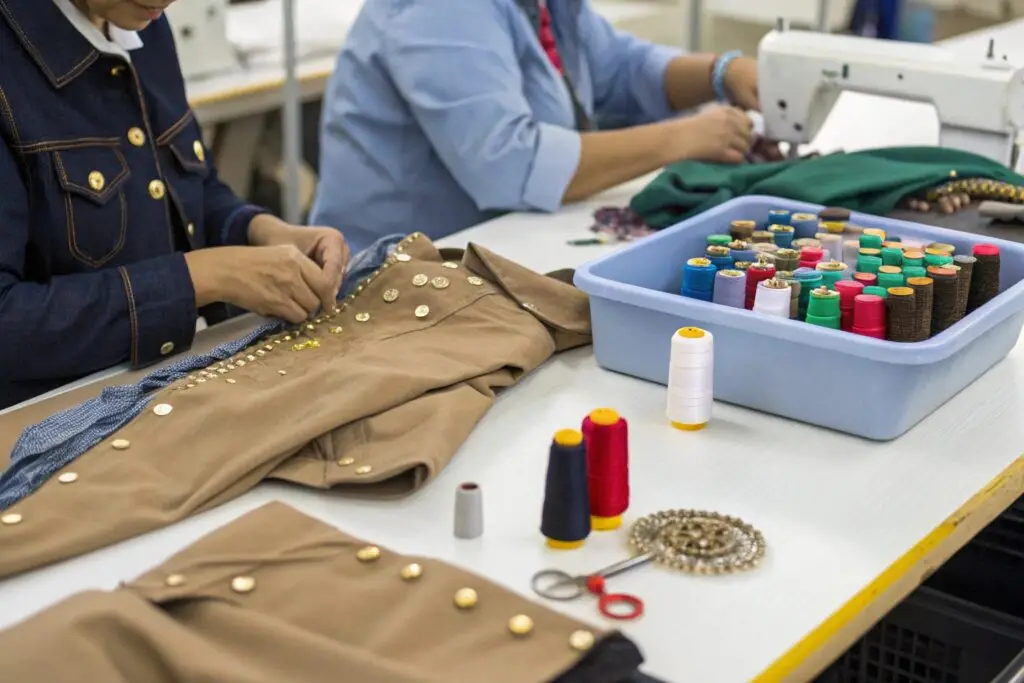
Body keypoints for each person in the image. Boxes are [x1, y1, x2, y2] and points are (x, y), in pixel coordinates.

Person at [0, 0, 349, 410]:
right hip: (51, 424)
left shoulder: (139, 24)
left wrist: (262, 233)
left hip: (167, 383)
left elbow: (188, 186)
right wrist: (203, 277)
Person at [310, 0, 771, 254]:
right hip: (388, 284)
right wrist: (682, 140)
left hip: (492, 254)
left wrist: (721, 72)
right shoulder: (439, 8)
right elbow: (511, 162)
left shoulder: (543, 6)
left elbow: (620, 69)